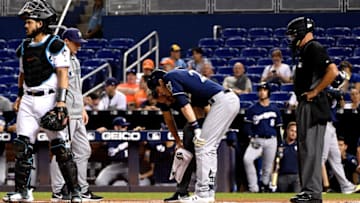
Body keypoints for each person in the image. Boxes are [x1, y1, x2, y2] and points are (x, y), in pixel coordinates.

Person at [3, 1, 82, 202]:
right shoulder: (25, 46)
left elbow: (63, 73)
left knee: (60, 148)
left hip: (50, 99)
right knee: (21, 145)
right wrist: (20, 96)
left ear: (40, 23)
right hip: (29, 99)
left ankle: (74, 192)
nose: (25, 25)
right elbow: (22, 74)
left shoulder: (56, 45)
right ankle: (23, 192)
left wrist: (61, 103)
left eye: (29, 22)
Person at [147, 69, 240, 203]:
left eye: (157, 89)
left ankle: (202, 194)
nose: (159, 92)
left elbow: (187, 107)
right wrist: (180, 140)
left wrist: (197, 129)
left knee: (203, 147)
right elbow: (174, 117)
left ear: (161, 82)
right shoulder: (189, 85)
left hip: (222, 103)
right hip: (227, 101)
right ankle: (207, 192)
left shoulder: (169, 78)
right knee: (209, 149)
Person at [286, 16, 338, 203]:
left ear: (301, 32)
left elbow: (333, 71)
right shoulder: (306, 50)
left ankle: (312, 192)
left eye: (293, 35)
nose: (291, 39)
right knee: (306, 149)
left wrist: (315, 91)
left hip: (313, 106)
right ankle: (308, 190)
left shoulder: (314, 48)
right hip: (306, 104)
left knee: (311, 150)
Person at [48, 27, 103, 201]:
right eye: (76, 43)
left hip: (76, 112)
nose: (79, 46)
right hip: (65, 113)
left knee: (84, 150)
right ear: (66, 42)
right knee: (62, 151)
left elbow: (76, 88)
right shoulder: (56, 60)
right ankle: (58, 190)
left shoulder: (75, 60)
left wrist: (81, 108)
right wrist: (61, 109)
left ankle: (81, 189)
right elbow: (54, 87)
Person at [243, 82, 283, 193]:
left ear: (268, 92)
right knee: (247, 159)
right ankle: (253, 188)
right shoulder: (252, 109)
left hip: (271, 139)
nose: (262, 92)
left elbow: (278, 129)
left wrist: (280, 144)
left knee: (267, 166)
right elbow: (247, 127)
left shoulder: (275, 109)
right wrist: (251, 137)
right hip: (257, 139)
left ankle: (264, 186)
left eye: (264, 90)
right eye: (260, 90)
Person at [95, 117, 150, 186]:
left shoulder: (131, 135)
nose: (125, 128)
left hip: (128, 166)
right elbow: (94, 148)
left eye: (126, 126)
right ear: (116, 127)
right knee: (100, 182)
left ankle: (130, 196)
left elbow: (143, 149)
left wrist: (140, 135)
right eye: (123, 126)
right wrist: (97, 134)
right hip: (113, 166)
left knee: (144, 183)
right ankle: (111, 196)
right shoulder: (109, 136)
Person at [277, 122, 300, 192]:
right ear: (287, 131)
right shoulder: (280, 145)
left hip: (296, 176)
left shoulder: (300, 146)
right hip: (282, 176)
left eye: (296, 132)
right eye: (292, 131)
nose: (293, 134)